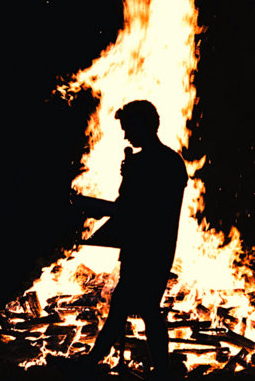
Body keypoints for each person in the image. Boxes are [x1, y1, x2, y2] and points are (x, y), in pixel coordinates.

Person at [78, 100, 188, 377]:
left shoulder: (144, 164)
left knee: (131, 308)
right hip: (160, 248)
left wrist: (92, 206)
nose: (126, 136)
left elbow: (131, 209)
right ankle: (157, 371)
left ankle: (91, 366)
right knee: (142, 308)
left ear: (144, 126)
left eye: (129, 128)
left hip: (143, 248)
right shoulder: (172, 161)